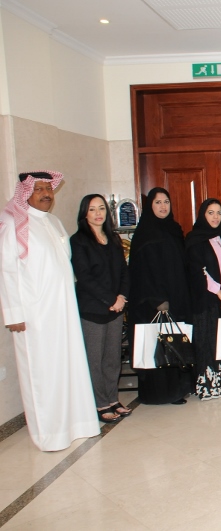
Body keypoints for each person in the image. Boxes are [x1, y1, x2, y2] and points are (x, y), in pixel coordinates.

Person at [0, 171, 99, 451]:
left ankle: (78, 425)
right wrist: (13, 314)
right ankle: (48, 434)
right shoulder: (12, 223)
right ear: (26, 193)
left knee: (68, 368)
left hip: (63, 312)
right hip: (35, 316)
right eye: (39, 189)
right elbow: (6, 270)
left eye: (48, 188)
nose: (46, 194)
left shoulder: (53, 222)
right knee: (41, 373)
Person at [128, 188, 194, 405]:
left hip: (178, 296)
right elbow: (141, 271)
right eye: (158, 202)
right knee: (157, 344)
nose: (163, 206)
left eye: (166, 202)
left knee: (175, 342)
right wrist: (157, 300)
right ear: (150, 206)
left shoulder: (174, 229)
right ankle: (158, 393)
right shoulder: (144, 233)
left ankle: (177, 390)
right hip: (154, 302)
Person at [71, 194, 131, 423]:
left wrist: (122, 297)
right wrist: (110, 299)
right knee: (94, 360)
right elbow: (84, 277)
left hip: (116, 308)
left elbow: (124, 271)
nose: (98, 213)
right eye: (92, 209)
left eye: (102, 208)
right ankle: (100, 403)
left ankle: (113, 399)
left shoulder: (113, 238)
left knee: (112, 358)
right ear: (84, 213)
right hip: (93, 310)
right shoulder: (79, 241)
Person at [185, 199, 221, 399]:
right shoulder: (194, 239)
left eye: (219, 213)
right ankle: (209, 385)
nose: (216, 217)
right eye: (211, 212)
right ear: (203, 214)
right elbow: (198, 270)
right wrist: (219, 293)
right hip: (206, 300)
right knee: (208, 341)